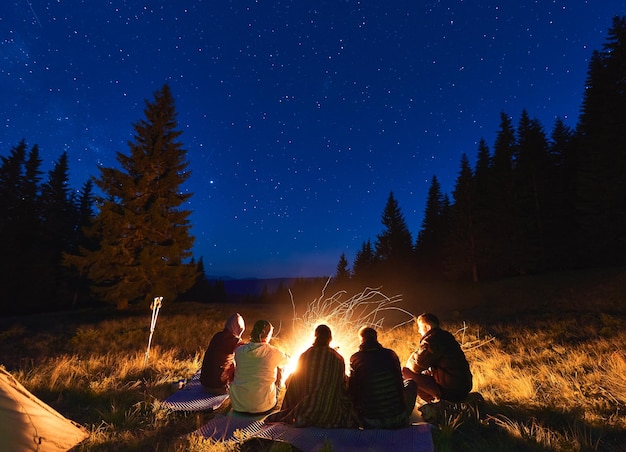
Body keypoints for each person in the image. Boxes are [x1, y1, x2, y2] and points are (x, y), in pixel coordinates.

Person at [266, 324, 356, 428]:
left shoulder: (306, 354)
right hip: (331, 411)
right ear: (330, 338)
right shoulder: (338, 358)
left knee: (292, 378)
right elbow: (342, 385)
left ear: (315, 336)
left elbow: (296, 381)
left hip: (305, 407)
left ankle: (303, 414)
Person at [348, 326, 417, 429]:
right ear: (376, 338)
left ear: (361, 339)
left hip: (370, 421)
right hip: (398, 418)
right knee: (411, 383)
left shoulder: (355, 358)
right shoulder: (391, 354)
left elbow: (352, 389)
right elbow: (399, 382)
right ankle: (404, 416)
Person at [402, 313, 473, 403]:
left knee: (405, 372)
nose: (419, 331)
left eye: (420, 327)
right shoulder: (445, 337)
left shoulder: (432, 340)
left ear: (427, 327)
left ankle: (439, 404)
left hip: (451, 391)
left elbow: (416, 366)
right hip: (462, 388)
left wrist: (411, 359)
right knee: (425, 373)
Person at [229, 319, 290, 414]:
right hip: (263, 407)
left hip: (238, 405)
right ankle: (269, 400)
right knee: (281, 367)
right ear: (268, 335)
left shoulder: (239, 351)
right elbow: (287, 361)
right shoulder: (274, 352)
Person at [199, 313, 245, 394]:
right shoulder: (235, 341)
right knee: (241, 366)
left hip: (204, 384)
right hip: (218, 387)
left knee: (230, 362)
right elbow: (245, 358)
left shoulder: (217, 335)